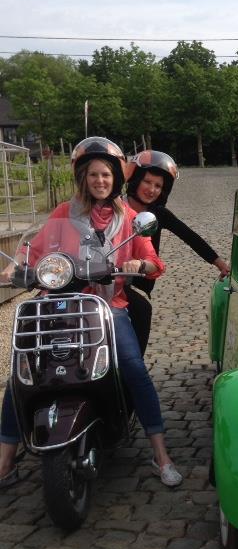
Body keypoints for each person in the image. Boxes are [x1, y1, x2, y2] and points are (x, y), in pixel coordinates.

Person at [0, 137, 182, 487]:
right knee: (23, 373)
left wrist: (139, 264)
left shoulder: (128, 217)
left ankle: (161, 455)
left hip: (107, 307)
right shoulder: (63, 213)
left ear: (116, 179)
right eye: (94, 174)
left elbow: (153, 261)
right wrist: (15, 266)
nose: (100, 180)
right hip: (59, 305)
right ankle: (5, 461)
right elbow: (33, 249)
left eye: (106, 175)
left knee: (134, 368)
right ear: (83, 177)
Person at [124, 150, 230, 355]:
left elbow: (189, 236)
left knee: (142, 312)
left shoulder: (159, 214)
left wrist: (220, 264)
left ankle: (136, 362)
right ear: (135, 179)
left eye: (158, 186)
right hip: (109, 277)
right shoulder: (116, 207)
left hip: (138, 281)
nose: (152, 190)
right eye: (147, 182)